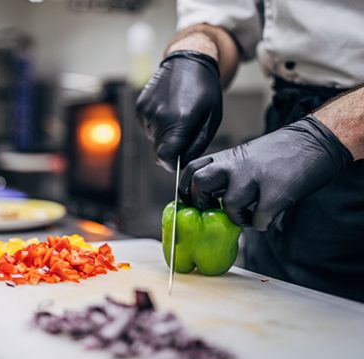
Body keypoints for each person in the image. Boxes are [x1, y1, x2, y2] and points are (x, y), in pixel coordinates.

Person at [136, 1, 364, 302]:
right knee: (278, 309)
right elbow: (226, 21)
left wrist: (330, 134)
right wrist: (196, 52)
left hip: (338, 139)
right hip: (291, 128)